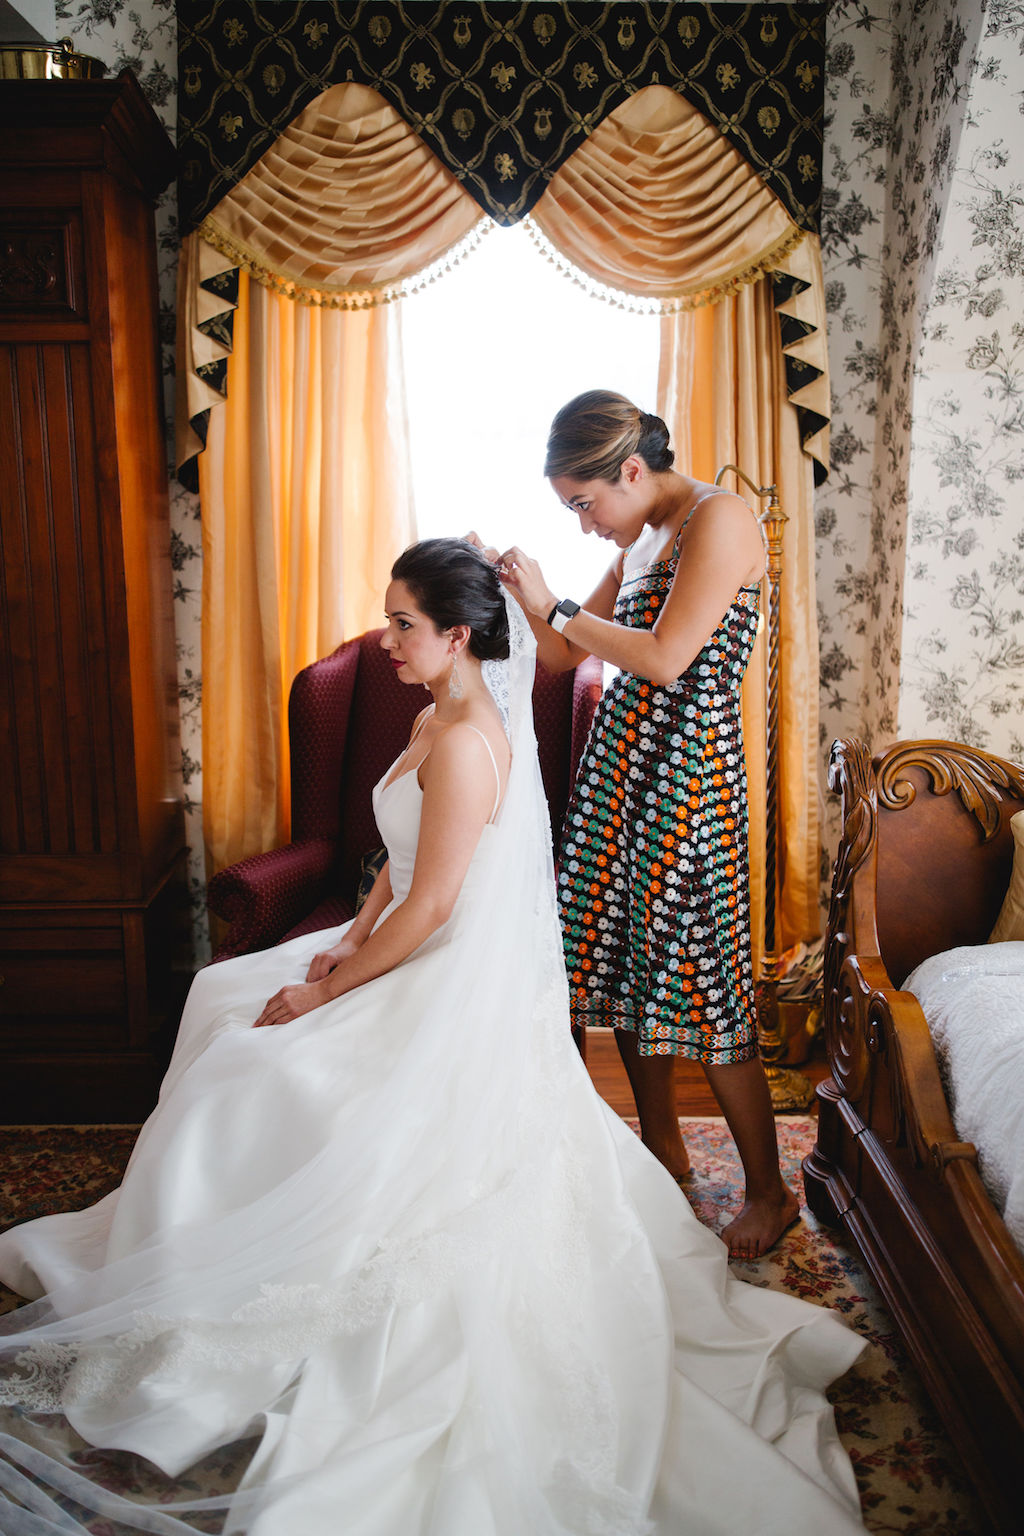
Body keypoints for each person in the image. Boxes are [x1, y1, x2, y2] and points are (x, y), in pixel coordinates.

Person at [0, 538, 865, 1535]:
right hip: (396, 942)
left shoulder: (464, 742)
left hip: (444, 976)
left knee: (254, 1061)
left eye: (404, 622)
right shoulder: (431, 712)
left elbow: (438, 908)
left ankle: (232, 1262)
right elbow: (393, 870)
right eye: (390, 617)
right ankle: (184, 1241)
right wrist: (343, 939)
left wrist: (324, 998)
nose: (386, 636)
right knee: (224, 995)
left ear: (457, 635)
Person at [488, 389, 800, 1262]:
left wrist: (555, 604)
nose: (587, 525)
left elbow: (666, 660)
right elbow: (561, 652)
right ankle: (664, 1152)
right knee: (627, 977)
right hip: (617, 775)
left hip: (687, 788)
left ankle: (770, 1192)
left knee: (703, 983)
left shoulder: (721, 519)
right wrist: (510, 586)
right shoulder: (640, 540)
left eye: (586, 503)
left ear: (632, 469)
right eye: (569, 510)